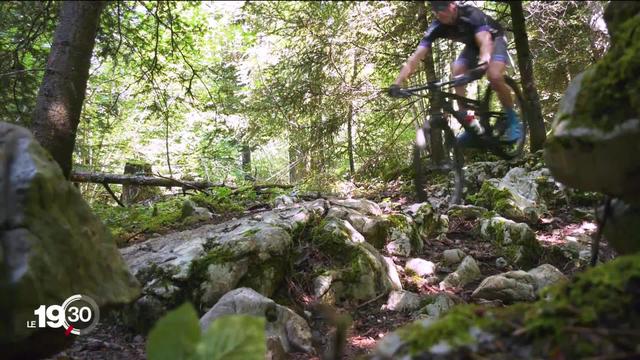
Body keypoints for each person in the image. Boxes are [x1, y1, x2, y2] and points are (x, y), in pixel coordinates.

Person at [388, 0, 523, 145]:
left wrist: (482, 65)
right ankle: (470, 125)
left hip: (494, 39)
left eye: (443, 9)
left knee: (494, 76)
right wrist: (397, 83)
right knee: (457, 70)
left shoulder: (471, 14)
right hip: (473, 46)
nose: (440, 14)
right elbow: (416, 57)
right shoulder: (437, 26)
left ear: (453, 6)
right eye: (436, 11)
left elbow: (485, 42)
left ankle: (514, 121)